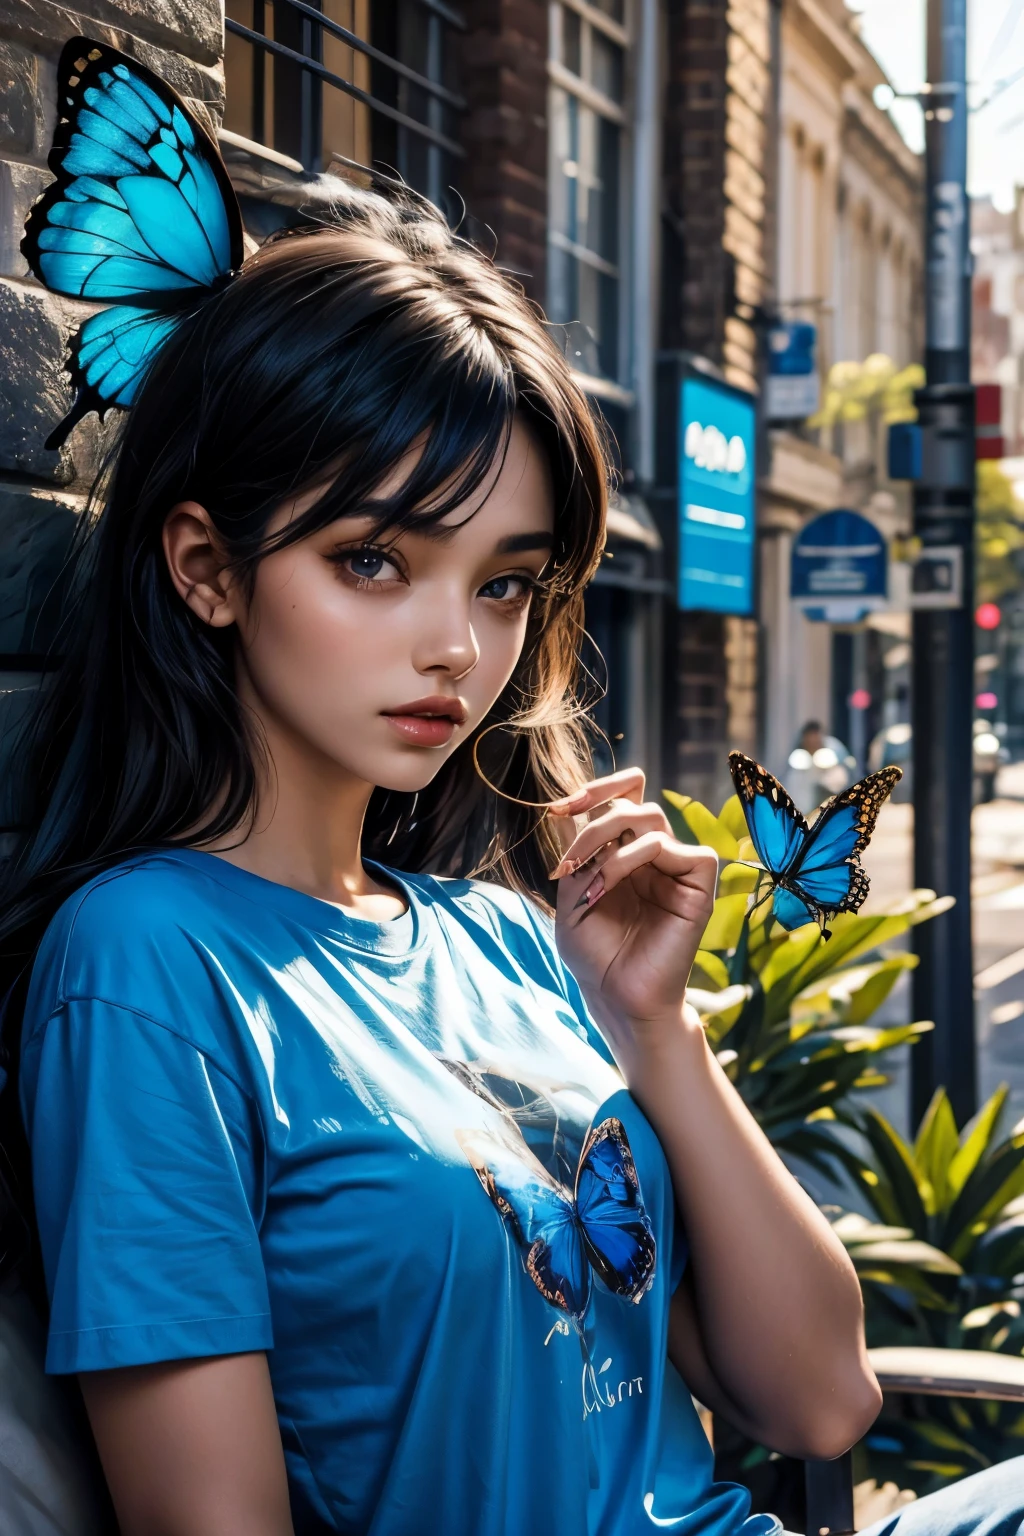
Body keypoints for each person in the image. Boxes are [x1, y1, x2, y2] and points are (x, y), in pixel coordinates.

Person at [0, 41, 1019, 1536]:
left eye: (506, 584)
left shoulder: (500, 936)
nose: (455, 646)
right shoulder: (149, 966)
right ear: (208, 568)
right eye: (374, 562)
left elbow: (820, 1399)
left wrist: (654, 1027)